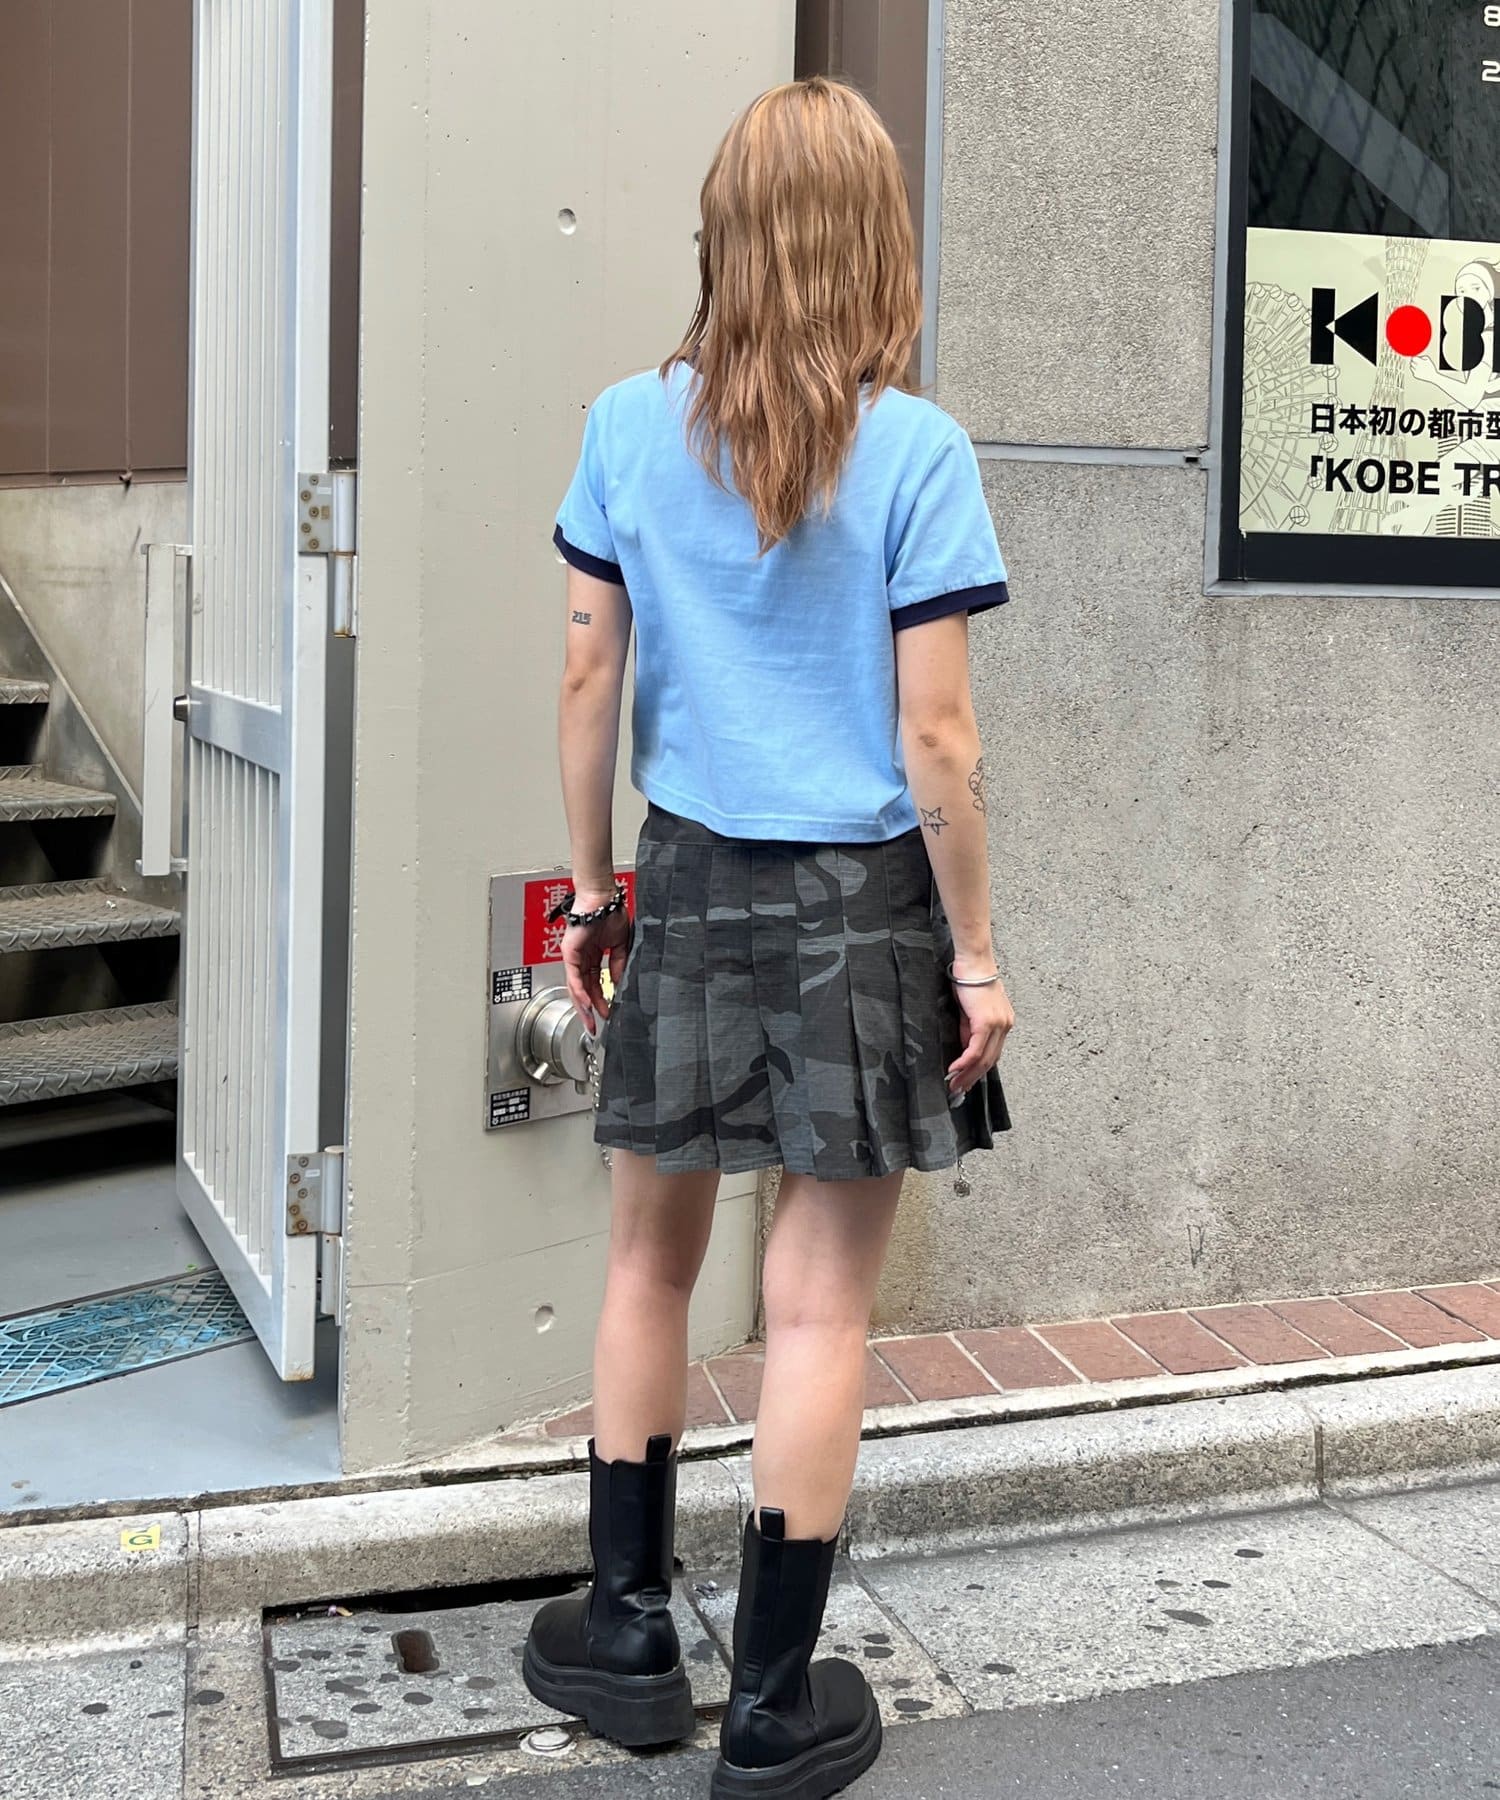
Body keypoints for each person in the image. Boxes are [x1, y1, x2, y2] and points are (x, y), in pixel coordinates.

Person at [522, 75, 1014, 1800]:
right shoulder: (920, 452)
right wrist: (975, 954)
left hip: (689, 874)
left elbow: (587, 677)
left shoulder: (621, 426)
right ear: (875, 241)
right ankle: (774, 1709)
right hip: (861, 907)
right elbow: (936, 740)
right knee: (814, 1312)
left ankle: (626, 1635)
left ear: (721, 235)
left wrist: (592, 890)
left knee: (646, 1264)